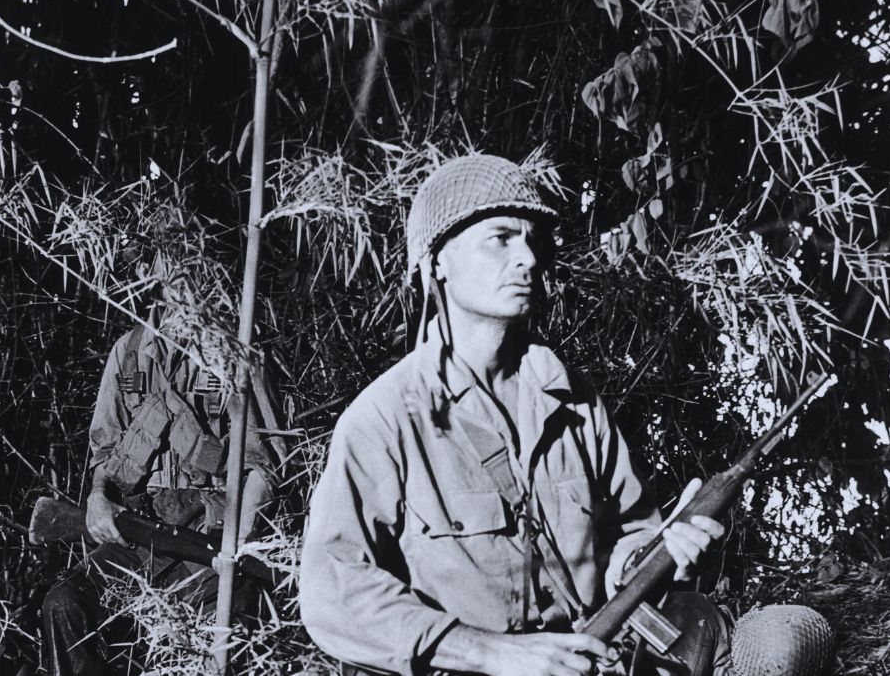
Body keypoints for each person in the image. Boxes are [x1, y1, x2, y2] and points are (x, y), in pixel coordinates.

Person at [298, 154, 730, 676]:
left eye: (531, 239)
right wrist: (488, 652)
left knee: (772, 635)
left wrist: (655, 555)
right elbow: (331, 592)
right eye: (500, 238)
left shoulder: (570, 398)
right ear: (438, 262)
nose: (527, 257)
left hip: (590, 663)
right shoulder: (388, 418)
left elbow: (631, 531)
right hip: (469, 670)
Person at [40, 305, 283, 676]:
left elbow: (263, 466)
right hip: (140, 534)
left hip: (211, 534)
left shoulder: (237, 351)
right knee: (64, 602)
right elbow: (104, 451)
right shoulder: (130, 350)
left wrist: (238, 542)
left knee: (233, 641)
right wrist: (97, 499)